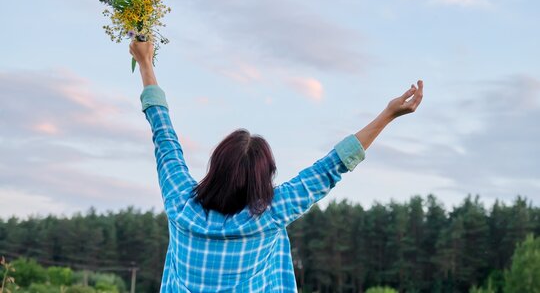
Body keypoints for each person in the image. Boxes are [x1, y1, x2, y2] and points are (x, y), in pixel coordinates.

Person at [129, 39, 424, 292]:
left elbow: (163, 132)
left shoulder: (181, 204)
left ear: (216, 166)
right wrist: (388, 114)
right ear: (263, 179)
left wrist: (145, 62)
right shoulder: (269, 215)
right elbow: (331, 167)